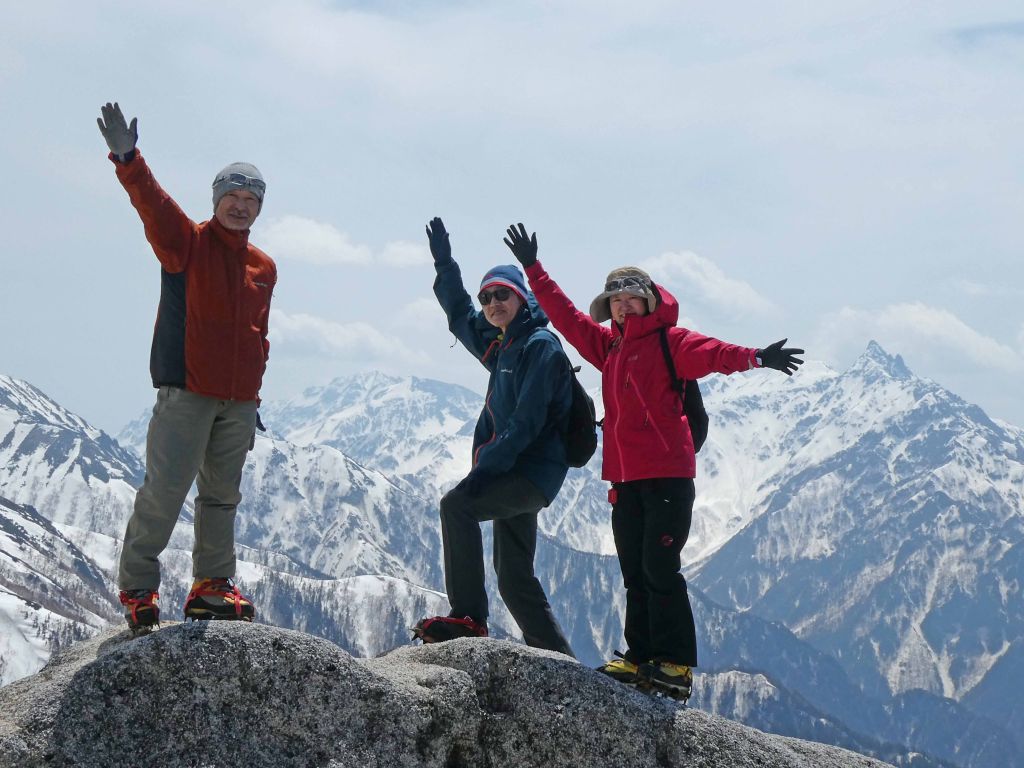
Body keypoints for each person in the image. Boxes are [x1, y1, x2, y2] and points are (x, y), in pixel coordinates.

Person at [504, 223, 803, 699]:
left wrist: (757, 358)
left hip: (667, 475)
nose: (622, 307)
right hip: (625, 479)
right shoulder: (610, 348)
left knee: (660, 569)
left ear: (649, 301)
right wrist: (534, 270)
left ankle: (676, 665)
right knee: (635, 571)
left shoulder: (670, 342)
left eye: (630, 298)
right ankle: (641, 657)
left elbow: (715, 354)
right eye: (615, 302)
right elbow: (565, 317)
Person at [97, 102, 277, 631]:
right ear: (216, 199)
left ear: (259, 207)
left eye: (250, 200)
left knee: (221, 498)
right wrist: (127, 157)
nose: (240, 206)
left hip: (238, 403)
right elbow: (152, 205)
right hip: (188, 393)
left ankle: (210, 586)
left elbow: (257, 338)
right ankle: (138, 589)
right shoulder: (187, 243)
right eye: (232, 196)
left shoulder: (263, 266)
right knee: (165, 490)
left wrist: (253, 397)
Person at [412, 217, 575, 657]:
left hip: (529, 474)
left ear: (521, 297)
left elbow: (526, 422)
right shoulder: (501, 344)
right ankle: (560, 660)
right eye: (487, 298)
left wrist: (484, 472)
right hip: (518, 471)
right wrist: (444, 262)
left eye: (501, 294)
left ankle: (468, 617)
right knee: (513, 575)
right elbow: (457, 313)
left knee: (457, 506)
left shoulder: (539, 346)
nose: (492, 303)